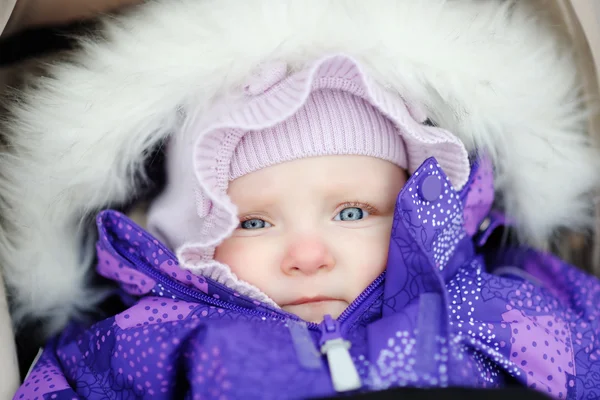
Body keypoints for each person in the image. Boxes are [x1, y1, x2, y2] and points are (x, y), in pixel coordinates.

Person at [12, 53, 600, 399]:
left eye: (351, 213)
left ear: (420, 214)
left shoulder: (485, 308)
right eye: (254, 221)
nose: (308, 254)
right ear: (191, 246)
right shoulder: (157, 339)